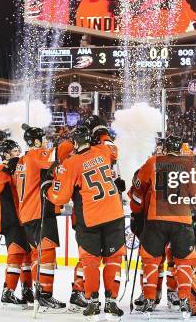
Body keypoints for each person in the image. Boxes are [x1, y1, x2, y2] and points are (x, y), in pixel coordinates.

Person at [46, 126, 125, 320]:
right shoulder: (104, 151)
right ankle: (112, 302)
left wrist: (47, 188)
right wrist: (102, 132)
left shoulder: (72, 163)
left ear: (74, 144)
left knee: (90, 262)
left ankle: (93, 302)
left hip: (91, 218)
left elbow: (61, 197)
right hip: (115, 214)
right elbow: (113, 149)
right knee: (113, 259)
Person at [129, 135, 196, 317]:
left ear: (165, 148)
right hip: (181, 221)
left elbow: (137, 188)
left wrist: (136, 211)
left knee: (151, 261)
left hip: (155, 220)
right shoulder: (190, 166)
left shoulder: (152, 162)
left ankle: (149, 298)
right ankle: (183, 299)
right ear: (180, 149)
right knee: (183, 262)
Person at [14, 125, 66, 310]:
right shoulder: (36, 156)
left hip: (27, 213)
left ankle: (39, 292)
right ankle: (45, 294)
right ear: (35, 142)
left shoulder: (22, 160)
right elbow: (58, 154)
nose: (46, 142)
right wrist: (73, 139)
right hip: (38, 212)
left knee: (37, 253)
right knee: (47, 252)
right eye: (43, 138)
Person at [0, 139, 33, 308]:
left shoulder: (18, 168)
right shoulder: (1, 170)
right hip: (11, 219)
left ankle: (27, 289)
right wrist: (6, 170)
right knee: (16, 253)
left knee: (27, 255)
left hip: (23, 217)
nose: (18, 153)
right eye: (14, 151)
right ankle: (8, 291)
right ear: (6, 154)